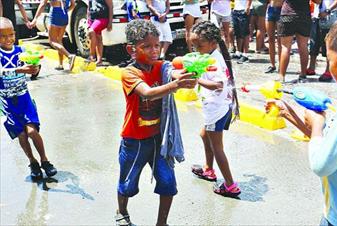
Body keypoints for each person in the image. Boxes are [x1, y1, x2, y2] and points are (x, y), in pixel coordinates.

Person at [267, 10, 337, 226]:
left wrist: (318, 124)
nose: (329, 66)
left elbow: (321, 164)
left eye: (328, 59)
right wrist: (290, 113)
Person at [115, 19, 197, 226]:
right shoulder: (129, 73)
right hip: (134, 140)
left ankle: (162, 223)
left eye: (157, 45)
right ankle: (122, 212)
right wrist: (176, 84)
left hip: (159, 138)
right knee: (127, 184)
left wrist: (192, 72)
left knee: (168, 182)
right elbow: (149, 94)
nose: (154, 51)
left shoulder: (162, 67)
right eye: (147, 46)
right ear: (131, 50)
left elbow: (174, 71)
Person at [0, 17, 57, 180]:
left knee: (32, 131)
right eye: (3, 36)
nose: (8, 39)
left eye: (10, 35)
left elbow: (33, 71)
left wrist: (35, 68)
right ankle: (32, 162)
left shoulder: (21, 52)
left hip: (24, 99)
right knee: (21, 135)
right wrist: (21, 70)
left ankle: (45, 160)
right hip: (7, 102)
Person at [190, 21, 241, 197]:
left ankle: (230, 185)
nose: (196, 49)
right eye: (193, 45)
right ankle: (208, 170)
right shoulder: (212, 55)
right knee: (204, 135)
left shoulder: (213, 60)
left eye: (199, 45)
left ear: (213, 43)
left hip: (216, 109)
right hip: (221, 106)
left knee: (217, 147)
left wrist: (196, 79)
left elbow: (217, 85)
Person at [277, 0, 321, 82]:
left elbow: (276, 2)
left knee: (285, 47)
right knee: (303, 47)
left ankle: (282, 76)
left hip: (287, 14)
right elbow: (318, 1)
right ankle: (303, 75)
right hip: (304, 16)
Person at [31, 0, 76, 71]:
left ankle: (69, 56)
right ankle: (60, 64)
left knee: (52, 41)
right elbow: (73, 5)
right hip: (64, 15)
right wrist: (65, 10)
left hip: (55, 15)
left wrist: (35, 18)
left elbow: (43, 4)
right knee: (59, 41)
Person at [306, 0, 337, 82]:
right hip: (316, 15)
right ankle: (311, 67)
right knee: (314, 42)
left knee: (328, 44)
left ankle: (328, 70)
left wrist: (328, 10)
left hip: (330, 15)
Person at [87, 0, 113, 66]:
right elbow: (88, 7)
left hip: (102, 18)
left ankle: (91, 56)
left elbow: (110, 7)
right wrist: (88, 20)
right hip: (92, 18)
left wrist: (110, 22)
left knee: (91, 31)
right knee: (98, 37)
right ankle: (99, 60)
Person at [264, 0, 283, 73]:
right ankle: (272, 65)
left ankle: (281, 65)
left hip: (281, 8)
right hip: (270, 8)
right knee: (270, 39)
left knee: (280, 40)